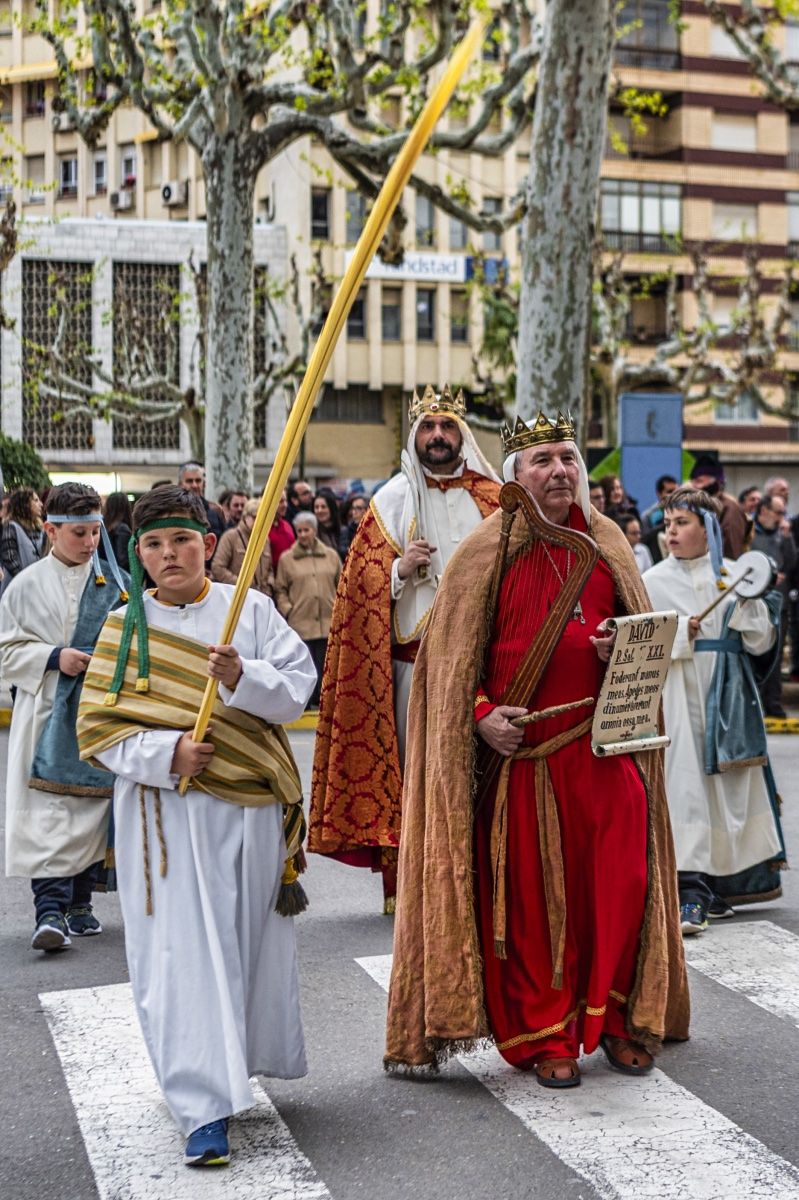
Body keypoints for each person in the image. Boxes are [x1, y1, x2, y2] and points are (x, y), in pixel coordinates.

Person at [384, 412, 688, 1084]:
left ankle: (616, 1020)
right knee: (534, 905)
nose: (558, 471)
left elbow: (642, 643)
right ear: (515, 477)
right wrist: (480, 716)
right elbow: (445, 667)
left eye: (566, 459)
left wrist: (618, 647)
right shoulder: (483, 551)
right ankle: (546, 1035)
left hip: (604, 752)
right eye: (541, 460)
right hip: (526, 761)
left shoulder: (609, 542)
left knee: (622, 888)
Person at [76, 485, 315, 1167]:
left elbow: (297, 687)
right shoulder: (124, 628)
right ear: (138, 554)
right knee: (181, 959)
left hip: (250, 812)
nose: (169, 554)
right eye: (153, 544)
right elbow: (96, 729)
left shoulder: (249, 610)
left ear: (207, 544)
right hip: (166, 817)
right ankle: (201, 1107)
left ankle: (234, 1066)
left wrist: (242, 675)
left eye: (182, 540)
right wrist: (164, 753)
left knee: (243, 947)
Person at [310, 385, 501, 912]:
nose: (438, 436)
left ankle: (479, 878)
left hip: (482, 662)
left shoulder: (493, 498)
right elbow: (356, 586)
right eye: (428, 427)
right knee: (416, 775)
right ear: (414, 435)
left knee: (478, 773)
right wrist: (398, 569)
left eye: (447, 427)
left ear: (462, 434)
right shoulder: (390, 500)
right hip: (412, 667)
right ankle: (414, 883)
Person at [643, 487, 785, 934]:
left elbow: (760, 644)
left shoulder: (733, 577)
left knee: (726, 791)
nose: (671, 532)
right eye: (667, 524)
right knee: (684, 787)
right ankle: (690, 890)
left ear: (707, 529)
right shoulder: (652, 581)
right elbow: (637, 640)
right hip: (677, 693)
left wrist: (749, 603)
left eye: (682, 523)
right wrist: (678, 633)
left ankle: (721, 884)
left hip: (727, 695)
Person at [0, 482, 129, 953]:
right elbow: (6, 650)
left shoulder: (116, 584)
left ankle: (80, 903)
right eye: (79, 533)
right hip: (46, 713)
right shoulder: (25, 585)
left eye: (95, 531)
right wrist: (55, 657)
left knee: (92, 812)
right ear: (51, 530)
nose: (91, 543)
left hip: (96, 713)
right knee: (50, 815)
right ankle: (49, 912)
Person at [274, 512, 341, 708]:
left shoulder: (331, 556)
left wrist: (338, 608)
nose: (302, 535)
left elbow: (341, 584)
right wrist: (288, 609)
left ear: (315, 531)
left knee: (326, 666)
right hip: (301, 622)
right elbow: (280, 589)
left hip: (327, 621)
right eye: (299, 531)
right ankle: (307, 703)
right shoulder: (287, 559)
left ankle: (325, 703)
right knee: (306, 666)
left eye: (306, 530)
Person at [751, 494, 796, 719]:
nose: (781, 517)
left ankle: (773, 702)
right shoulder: (750, 532)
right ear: (763, 511)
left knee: (777, 655)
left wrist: (787, 538)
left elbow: (791, 563)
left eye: (783, 513)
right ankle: (756, 700)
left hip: (780, 603)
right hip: (756, 602)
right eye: (777, 512)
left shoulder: (782, 534)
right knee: (757, 653)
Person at [212, 497, 275, 597]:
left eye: (263, 518)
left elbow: (270, 569)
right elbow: (217, 568)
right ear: (245, 516)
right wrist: (241, 585)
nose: (259, 521)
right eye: (255, 517)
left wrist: (269, 586)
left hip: (261, 596)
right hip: (236, 597)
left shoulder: (265, 540)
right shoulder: (230, 537)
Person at [689, 456, 747, 560]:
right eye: (693, 482)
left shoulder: (730, 510)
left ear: (717, 482)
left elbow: (731, 553)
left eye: (699, 481)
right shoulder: (699, 507)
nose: (694, 486)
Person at [0, 486, 44, 587]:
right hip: (17, 588)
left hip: (38, 586)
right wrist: (27, 581)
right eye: (36, 500)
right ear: (24, 504)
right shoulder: (11, 527)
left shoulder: (40, 529)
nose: (41, 504)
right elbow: (10, 559)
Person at [177, 462, 226, 544]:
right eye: (189, 481)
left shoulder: (215, 509)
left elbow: (223, 541)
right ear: (180, 484)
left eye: (198, 481)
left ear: (204, 484)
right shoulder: (173, 511)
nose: (194, 485)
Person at [103, 491, 134, 572]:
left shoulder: (103, 528)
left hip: (103, 572)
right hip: (118, 575)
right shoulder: (122, 529)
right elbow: (123, 561)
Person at [269, 490, 296, 567]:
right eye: (280, 501)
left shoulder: (287, 525)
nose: (285, 505)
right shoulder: (262, 529)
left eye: (285, 501)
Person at [313, 489, 342, 555]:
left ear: (331, 508)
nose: (319, 510)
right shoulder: (312, 533)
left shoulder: (343, 531)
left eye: (323, 507)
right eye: (316, 507)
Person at [339, 493, 369, 558]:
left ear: (367, 510)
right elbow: (343, 551)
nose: (354, 512)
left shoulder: (375, 530)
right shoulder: (346, 531)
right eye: (353, 508)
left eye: (358, 508)